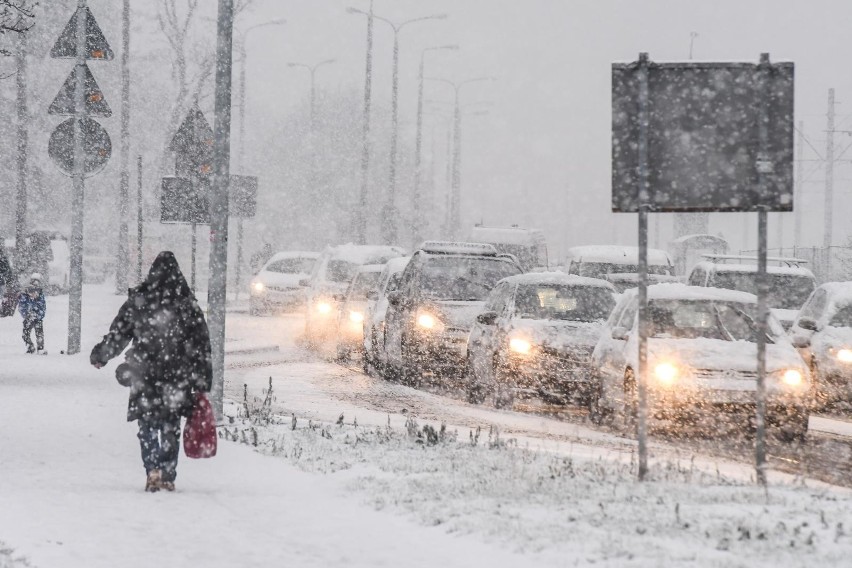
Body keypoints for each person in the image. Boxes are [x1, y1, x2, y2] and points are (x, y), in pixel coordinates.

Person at [90, 252, 212, 493]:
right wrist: (202, 378)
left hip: (143, 372)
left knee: (146, 424)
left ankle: (152, 469)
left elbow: (119, 333)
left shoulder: (140, 300)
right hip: (176, 375)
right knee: (170, 424)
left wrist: (101, 355)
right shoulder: (187, 303)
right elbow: (201, 345)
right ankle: (168, 473)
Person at [18, 273, 46, 354]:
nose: (34, 293)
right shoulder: (25, 294)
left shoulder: (39, 294)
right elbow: (22, 306)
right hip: (30, 317)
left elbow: (42, 307)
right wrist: (27, 314)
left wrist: (37, 315)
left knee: (37, 334)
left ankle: (37, 348)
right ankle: (33, 347)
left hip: (35, 317)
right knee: (28, 334)